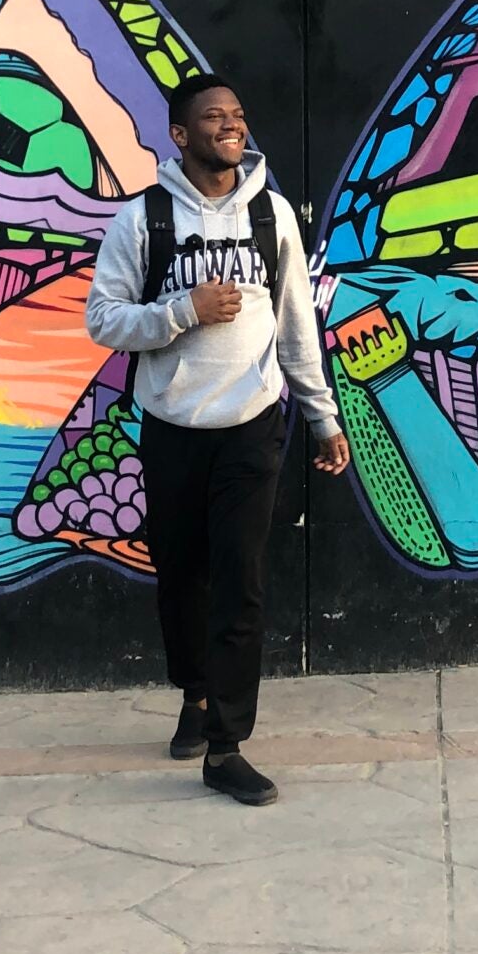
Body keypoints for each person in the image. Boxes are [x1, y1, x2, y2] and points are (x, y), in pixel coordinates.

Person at [85, 75, 349, 805]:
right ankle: (195, 694)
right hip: (172, 425)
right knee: (183, 576)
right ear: (180, 135)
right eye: (213, 117)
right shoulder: (144, 220)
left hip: (253, 424)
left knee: (241, 578)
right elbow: (103, 320)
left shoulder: (269, 214)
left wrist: (321, 414)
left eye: (237, 114)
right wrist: (181, 310)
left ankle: (227, 745)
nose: (230, 125)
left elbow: (297, 322)